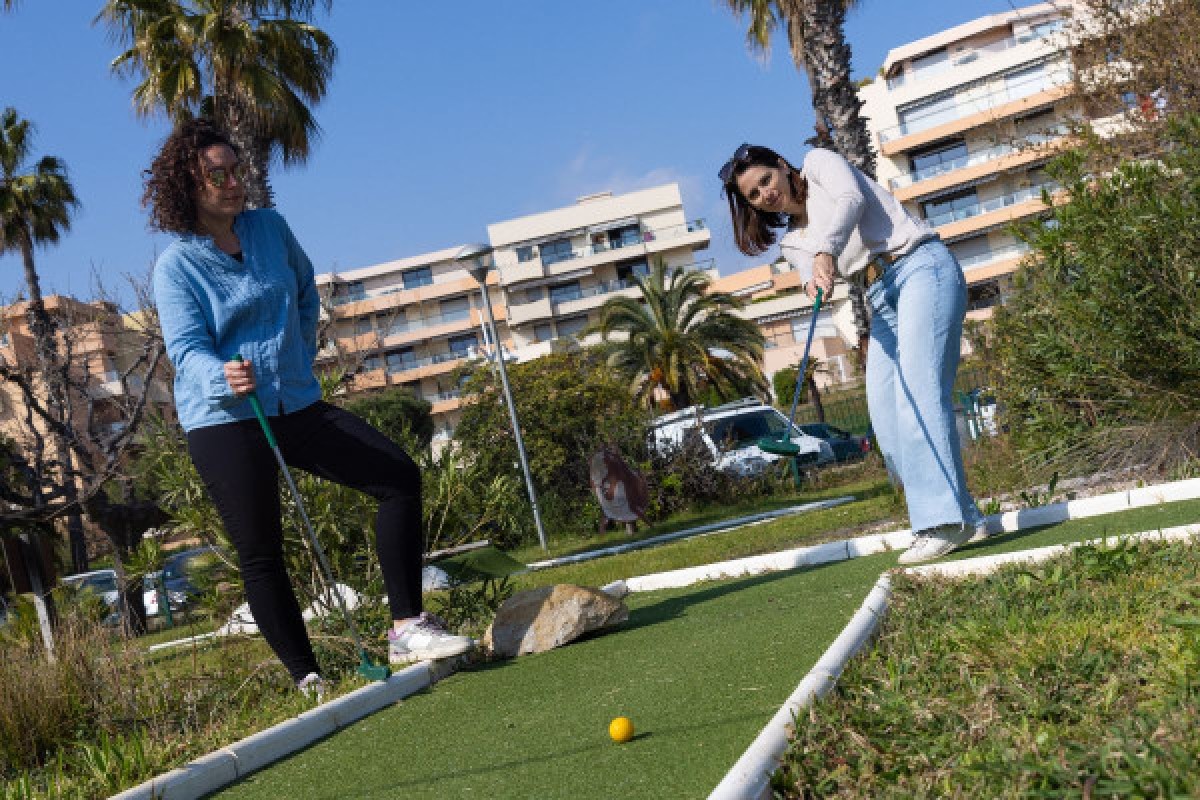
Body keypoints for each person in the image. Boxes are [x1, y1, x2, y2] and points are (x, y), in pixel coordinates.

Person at [146, 118, 472, 692]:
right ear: (188, 188)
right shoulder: (177, 266)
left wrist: (293, 356)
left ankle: (406, 628)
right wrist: (223, 375)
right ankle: (309, 678)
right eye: (214, 174)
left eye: (234, 169)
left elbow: (302, 289)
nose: (230, 182)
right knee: (261, 552)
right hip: (225, 420)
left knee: (397, 476)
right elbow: (187, 349)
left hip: (293, 403)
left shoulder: (269, 227)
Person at [719, 143, 984, 564]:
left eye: (766, 180)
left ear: (783, 167)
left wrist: (827, 250)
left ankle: (942, 523)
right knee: (886, 421)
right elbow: (811, 274)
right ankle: (964, 513)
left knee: (919, 396)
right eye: (753, 195)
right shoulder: (793, 242)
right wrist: (814, 284)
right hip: (880, 299)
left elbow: (852, 200)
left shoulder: (820, 164)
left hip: (919, 267)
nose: (765, 194)